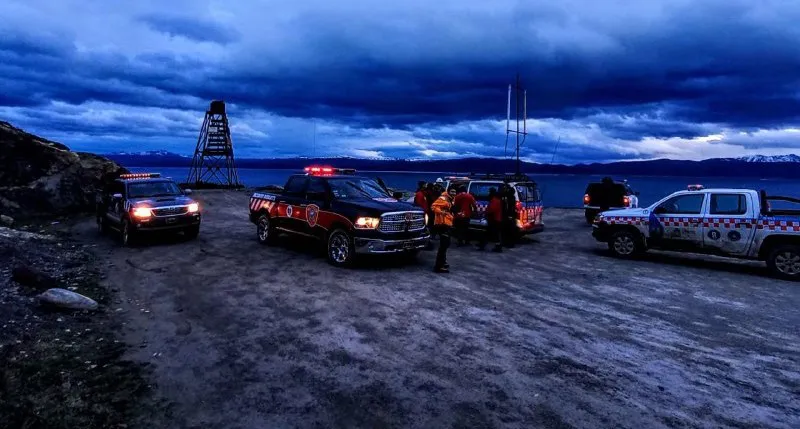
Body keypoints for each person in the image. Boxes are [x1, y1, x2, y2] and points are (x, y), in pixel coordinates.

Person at [431, 186, 456, 273]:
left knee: (446, 244)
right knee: (443, 245)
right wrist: (442, 212)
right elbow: (433, 207)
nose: (454, 193)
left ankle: (443, 262)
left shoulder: (451, 199)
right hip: (442, 224)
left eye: (455, 192)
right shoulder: (443, 198)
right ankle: (438, 267)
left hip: (447, 223)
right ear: (448, 191)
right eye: (452, 191)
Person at [477, 187, 503, 252]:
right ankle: (483, 244)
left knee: (490, 233)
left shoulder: (494, 200)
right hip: (496, 219)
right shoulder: (497, 199)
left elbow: (491, 209)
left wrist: (485, 213)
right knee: (493, 234)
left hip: (494, 219)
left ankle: (483, 245)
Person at [500, 183, 517, 248]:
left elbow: (510, 207)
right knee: (508, 230)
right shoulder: (510, 197)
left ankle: (509, 243)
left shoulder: (510, 197)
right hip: (509, 216)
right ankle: (507, 243)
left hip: (509, 216)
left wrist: (510, 216)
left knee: (508, 230)